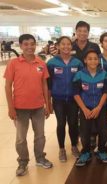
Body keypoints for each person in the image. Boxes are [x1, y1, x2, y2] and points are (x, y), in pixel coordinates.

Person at [4, 34, 53, 176]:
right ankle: (23, 161)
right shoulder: (13, 63)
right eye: (26, 44)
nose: (29, 47)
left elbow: (44, 84)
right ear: (21, 46)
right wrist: (10, 108)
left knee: (40, 135)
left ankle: (40, 157)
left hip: (38, 107)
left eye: (32, 44)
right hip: (20, 108)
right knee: (21, 138)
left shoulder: (41, 63)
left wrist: (47, 105)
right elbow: (8, 86)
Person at [47, 36, 83, 162]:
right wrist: (48, 103)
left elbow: (81, 82)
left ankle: (74, 146)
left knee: (73, 123)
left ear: (71, 46)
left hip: (73, 99)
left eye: (68, 44)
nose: (66, 46)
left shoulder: (77, 63)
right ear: (58, 46)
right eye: (63, 44)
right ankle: (61, 149)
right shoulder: (51, 63)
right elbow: (49, 85)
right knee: (61, 123)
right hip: (58, 99)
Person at [73, 50, 107, 166]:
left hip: (100, 108)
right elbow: (76, 93)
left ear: (98, 60)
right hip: (85, 109)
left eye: (95, 58)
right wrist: (84, 109)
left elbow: (106, 92)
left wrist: (99, 107)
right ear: (85, 60)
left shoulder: (104, 74)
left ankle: (102, 151)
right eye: (90, 58)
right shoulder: (79, 75)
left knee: (103, 131)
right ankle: (85, 152)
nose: (93, 61)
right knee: (84, 132)